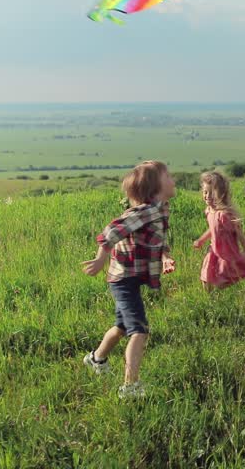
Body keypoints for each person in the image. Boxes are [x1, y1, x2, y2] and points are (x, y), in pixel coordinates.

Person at [81, 160, 176, 398]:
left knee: (122, 326)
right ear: (154, 188)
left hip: (129, 276)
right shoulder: (145, 212)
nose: (173, 180)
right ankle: (130, 386)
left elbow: (158, 240)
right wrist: (100, 260)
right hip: (123, 279)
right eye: (168, 177)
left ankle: (96, 359)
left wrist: (165, 257)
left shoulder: (160, 209)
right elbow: (111, 232)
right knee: (139, 330)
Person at [193, 170, 245, 289]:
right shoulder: (208, 211)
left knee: (234, 273)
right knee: (206, 274)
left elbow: (238, 233)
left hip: (227, 251)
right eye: (205, 192)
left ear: (221, 194)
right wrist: (201, 240)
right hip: (214, 249)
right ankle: (208, 297)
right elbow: (213, 229)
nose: (207, 196)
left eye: (212, 193)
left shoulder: (224, 215)